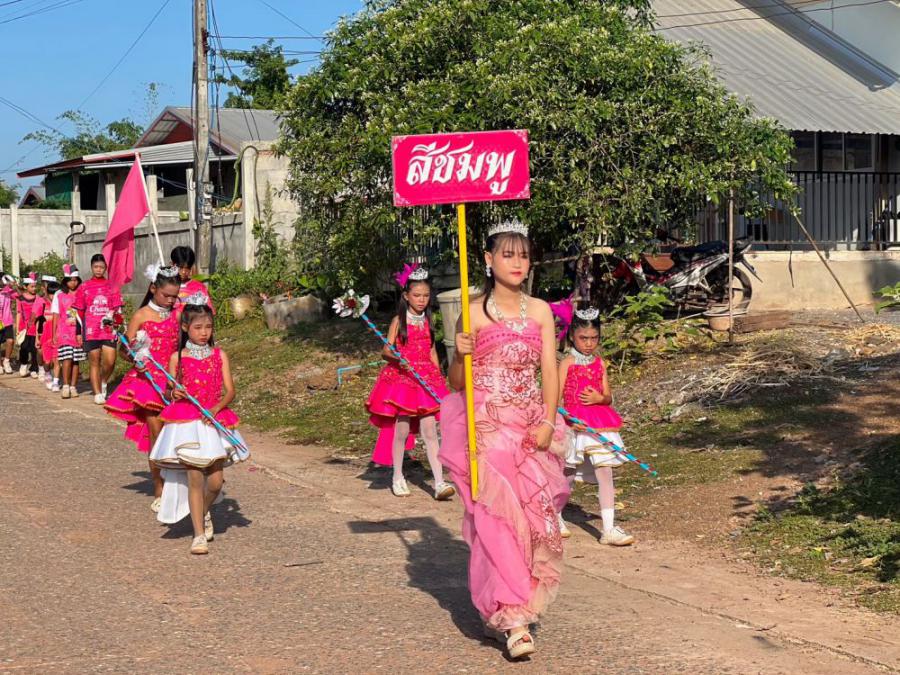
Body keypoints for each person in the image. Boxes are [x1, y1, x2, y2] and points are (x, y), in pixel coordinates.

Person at [438, 220, 569, 660]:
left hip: (531, 426)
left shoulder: (541, 311)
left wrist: (548, 421)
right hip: (486, 429)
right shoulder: (472, 311)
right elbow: (457, 383)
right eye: (507, 254)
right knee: (496, 520)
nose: (517, 263)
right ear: (488, 259)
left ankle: (510, 603)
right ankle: (514, 619)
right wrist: (460, 354)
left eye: (524, 255)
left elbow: (549, 371)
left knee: (533, 522)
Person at [150, 300, 249, 555]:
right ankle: (198, 535)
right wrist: (174, 392)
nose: (204, 332)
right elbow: (169, 391)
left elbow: (230, 391)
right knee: (195, 478)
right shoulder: (177, 358)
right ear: (185, 328)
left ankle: (203, 512)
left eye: (208, 327)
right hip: (188, 423)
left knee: (215, 483)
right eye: (198, 327)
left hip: (213, 421)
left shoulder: (220, 355)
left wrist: (216, 408)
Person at [365, 264, 453, 499]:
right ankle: (397, 477)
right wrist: (398, 358)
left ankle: (439, 482)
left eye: (425, 295)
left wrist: (438, 377)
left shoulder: (428, 320)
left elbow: (432, 350)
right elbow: (386, 350)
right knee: (402, 430)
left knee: (430, 431)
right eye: (417, 295)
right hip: (404, 381)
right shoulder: (399, 320)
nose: (422, 300)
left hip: (425, 380)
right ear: (406, 296)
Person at [105, 265, 181, 511]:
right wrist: (136, 353)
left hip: (175, 381)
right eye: (166, 295)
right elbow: (124, 350)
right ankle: (160, 489)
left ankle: (181, 483)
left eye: (174, 296)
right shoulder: (141, 315)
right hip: (149, 382)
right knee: (157, 436)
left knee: (179, 435)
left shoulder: (179, 314)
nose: (170, 301)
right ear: (153, 288)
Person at [557, 307, 634, 546]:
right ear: (572, 337)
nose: (589, 343)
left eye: (594, 338)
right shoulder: (566, 363)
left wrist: (599, 398)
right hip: (573, 426)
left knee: (605, 471)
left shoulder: (600, 363)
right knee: (568, 474)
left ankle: (608, 529)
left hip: (599, 424)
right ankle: (554, 515)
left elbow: (608, 396)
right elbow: (555, 400)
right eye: (584, 338)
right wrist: (569, 420)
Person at [75, 253, 123, 404]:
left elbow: (118, 309)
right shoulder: (84, 287)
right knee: (94, 360)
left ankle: (103, 381)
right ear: (91, 267)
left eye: (101, 267)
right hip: (91, 329)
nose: (98, 269)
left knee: (110, 360)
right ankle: (97, 393)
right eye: (95, 267)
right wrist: (78, 332)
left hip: (108, 329)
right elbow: (79, 311)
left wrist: (118, 323)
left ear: (106, 268)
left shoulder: (112, 286)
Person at [51, 264, 85, 398]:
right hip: (64, 331)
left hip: (78, 331)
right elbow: (56, 314)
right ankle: (65, 385)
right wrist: (54, 333)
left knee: (76, 360)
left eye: (75, 280)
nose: (73, 283)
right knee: (67, 358)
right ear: (65, 281)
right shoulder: (59, 295)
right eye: (70, 280)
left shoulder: (82, 293)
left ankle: (73, 386)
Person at [170, 246, 214, 315]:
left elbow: (209, 312)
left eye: (187, 268)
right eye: (180, 267)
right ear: (172, 264)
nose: (184, 272)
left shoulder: (199, 287)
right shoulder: (166, 286)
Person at [15, 272, 39, 377]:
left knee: (34, 349)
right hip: (24, 327)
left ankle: (34, 368)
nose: (34, 288)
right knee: (24, 347)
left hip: (35, 327)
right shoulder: (20, 298)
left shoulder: (38, 298)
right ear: (25, 287)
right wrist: (17, 328)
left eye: (35, 286)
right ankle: (24, 364)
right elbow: (19, 313)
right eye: (32, 286)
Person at [39, 277, 61, 390]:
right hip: (45, 336)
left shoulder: (61, 305)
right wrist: (37, 338)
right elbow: (38, 322)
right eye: (51, 294)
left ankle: (56, 382)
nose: (53, 297)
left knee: (56, 360)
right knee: (47, 362)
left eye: (55, 294)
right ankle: (47, 374)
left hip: (58, 336)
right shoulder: (43, 304)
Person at [0, 273, 15, 374]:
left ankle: (6, 361)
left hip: (7, 320)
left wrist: (14, 284)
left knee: (10, 341)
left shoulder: (8, 291)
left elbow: (19, 294)